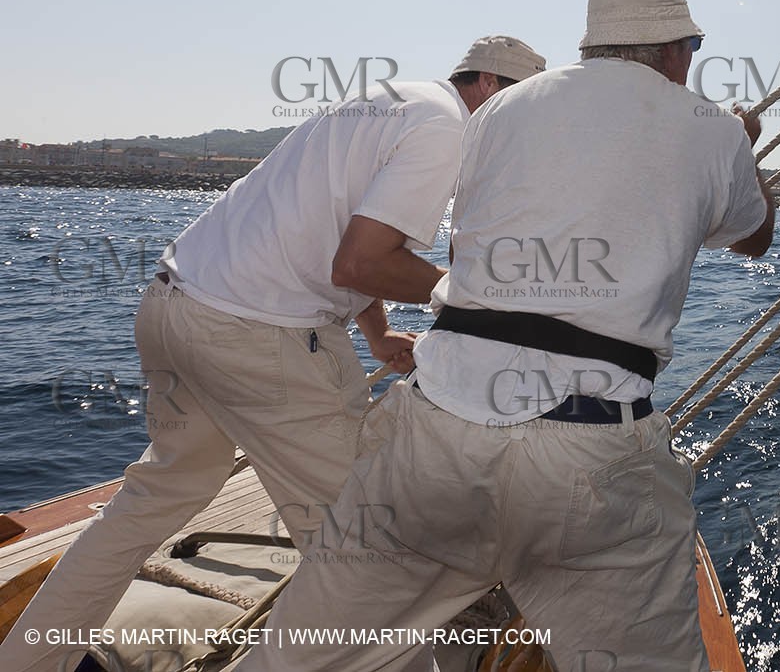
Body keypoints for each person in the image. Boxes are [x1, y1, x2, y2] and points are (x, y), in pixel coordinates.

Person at [234, 0, 775, 672]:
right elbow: (755, 236)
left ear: (596, 44)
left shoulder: (496, 113)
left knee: (296, 659)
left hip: (437, 438)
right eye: (692, 46)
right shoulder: (711, 127)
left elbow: (466, 252)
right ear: (675, 49)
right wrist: (743, 145)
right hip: (591, 457)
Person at [0, 36, 547, 672]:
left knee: (151, 501)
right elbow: (361, 259)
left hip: (175, 306)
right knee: (367, 552)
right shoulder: (449, 128)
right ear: (486, 86)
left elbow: (339, 238)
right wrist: (477, 300)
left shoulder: (386, 103)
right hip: (257, 336)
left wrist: (374, 334)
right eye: (517, 108)